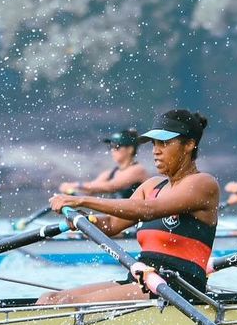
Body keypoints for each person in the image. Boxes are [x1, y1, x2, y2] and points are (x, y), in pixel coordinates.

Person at [38, 109, 219, 305]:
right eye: (154, 143)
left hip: (179, 287)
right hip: (142, 280)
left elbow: (148, 210)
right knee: (50, 298)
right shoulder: (152, 186)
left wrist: (81, 200)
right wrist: (84, 220)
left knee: (67, 303)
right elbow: (111, 224)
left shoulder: (203, 184)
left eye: (164, 143)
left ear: (189, 144)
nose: (156, 151)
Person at [58, 129, 149, 199]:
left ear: (130, 149)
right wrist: (69, 191)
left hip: (139, 216)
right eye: (111, 146)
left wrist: (75, 185)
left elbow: (110, 187)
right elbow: (91, 189)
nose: (112, 150)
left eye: (116, 146)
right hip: (121, 215)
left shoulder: (138, 170)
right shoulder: (110, 173)